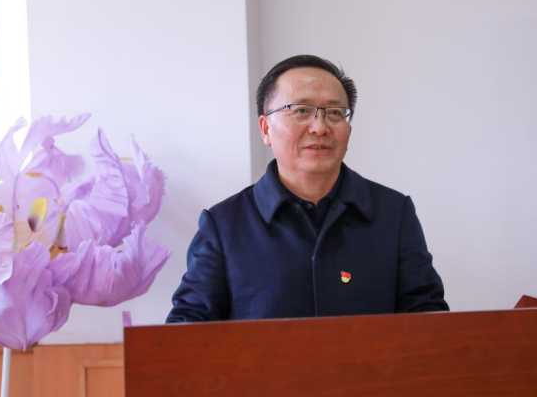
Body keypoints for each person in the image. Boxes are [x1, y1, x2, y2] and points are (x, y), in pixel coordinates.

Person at [167, 55, 448, 322]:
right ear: (265, 129)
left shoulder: (393, 213)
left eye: (334, 113)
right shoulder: (224, 224)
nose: (320, 127)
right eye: (301, 111)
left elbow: (428, 317)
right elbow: (188, 329)